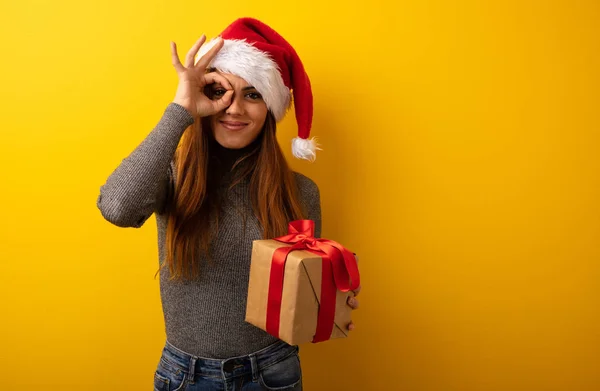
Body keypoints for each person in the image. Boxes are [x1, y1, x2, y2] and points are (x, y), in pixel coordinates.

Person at [97, 17, 360, 391]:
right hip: (185, 375)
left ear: (270, 108)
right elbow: (117, 207)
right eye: (220, 91)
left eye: (253, 94)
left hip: (273, 371)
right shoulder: (172, 176)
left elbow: (300, 291)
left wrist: (328, 308)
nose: (234, 108)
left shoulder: (301, 192)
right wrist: (180, 110)